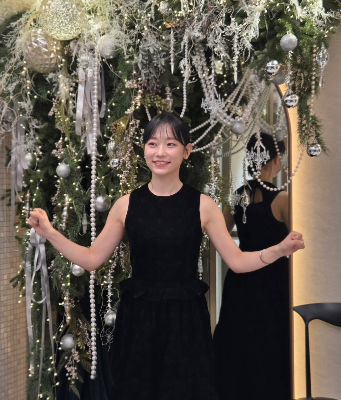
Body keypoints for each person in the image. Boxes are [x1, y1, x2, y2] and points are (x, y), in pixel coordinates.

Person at [28, 115, 304, 400]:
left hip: (186, 322)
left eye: (170, 144)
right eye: (153, 144)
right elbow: (91, 258)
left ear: (187, 151)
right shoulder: (125, 205)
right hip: (138, 320)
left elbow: (237, 261)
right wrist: (50, 232)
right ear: (144, 148)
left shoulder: (203, 206)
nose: (160, 152)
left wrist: (278, 249)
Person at [214, 132, 292, 400]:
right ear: (275, 160)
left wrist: (239, 255)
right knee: (269, 338)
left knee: (239, 337)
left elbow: (220, 237)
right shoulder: (282, 199)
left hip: (241, 277)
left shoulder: (237, 197)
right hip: (273, 279)